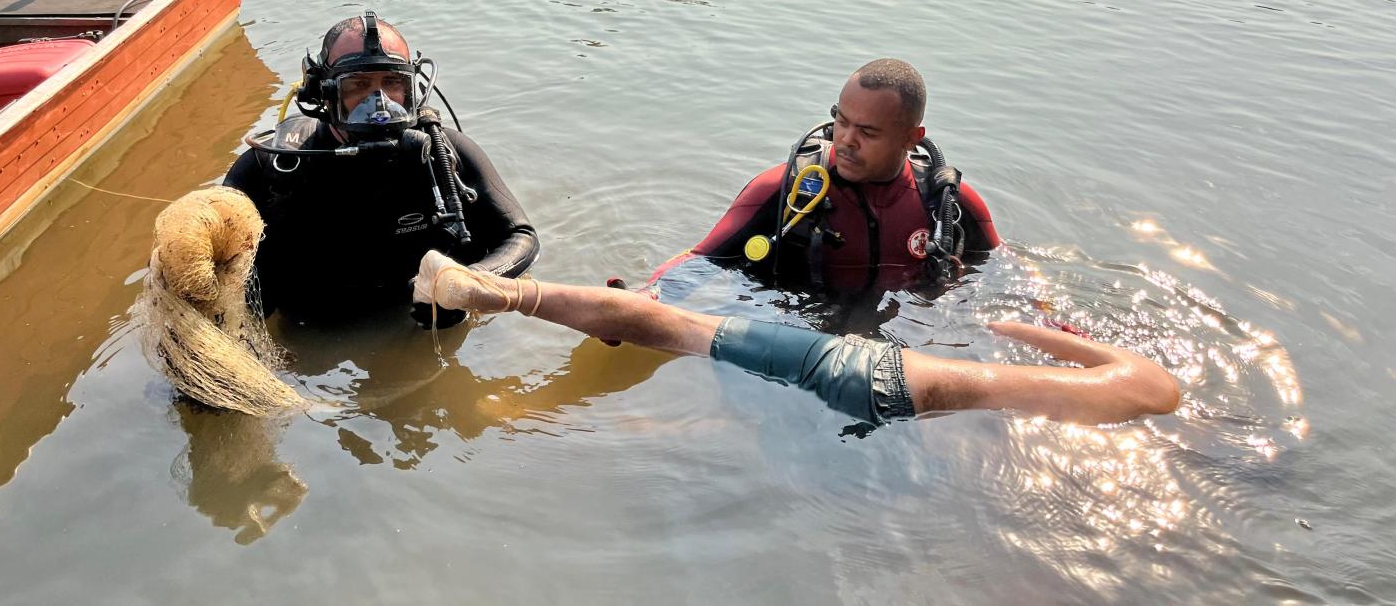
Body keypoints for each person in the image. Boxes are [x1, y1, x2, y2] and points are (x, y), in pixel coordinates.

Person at [415, 252, 1181, 426]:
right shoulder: (1141, 402)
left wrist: (1039, 327)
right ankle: (508, 409)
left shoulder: (1149, 378)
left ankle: (501, 291)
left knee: (684, 329)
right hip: (893, 411)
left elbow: (1009, 327)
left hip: (882, 370)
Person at [223, 11, 539, 322]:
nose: (379, 104)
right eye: (357, 85)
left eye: (392, 83)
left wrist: (466, 284)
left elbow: (521, 237)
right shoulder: (271, 166)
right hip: (313, 327)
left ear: (411, 89)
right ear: (324, 92)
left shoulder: (445, 153)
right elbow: (214, 266)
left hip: (416, 320)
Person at [649, 58, 1000, 292]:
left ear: (911, 139)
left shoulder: (947, 203)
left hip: (903, 334)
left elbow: (1004, 277)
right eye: (842, 121)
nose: (846, 140)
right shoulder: (784, 189)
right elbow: (701, 262)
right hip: (795, 332)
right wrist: (641, 300)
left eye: (868, 132)